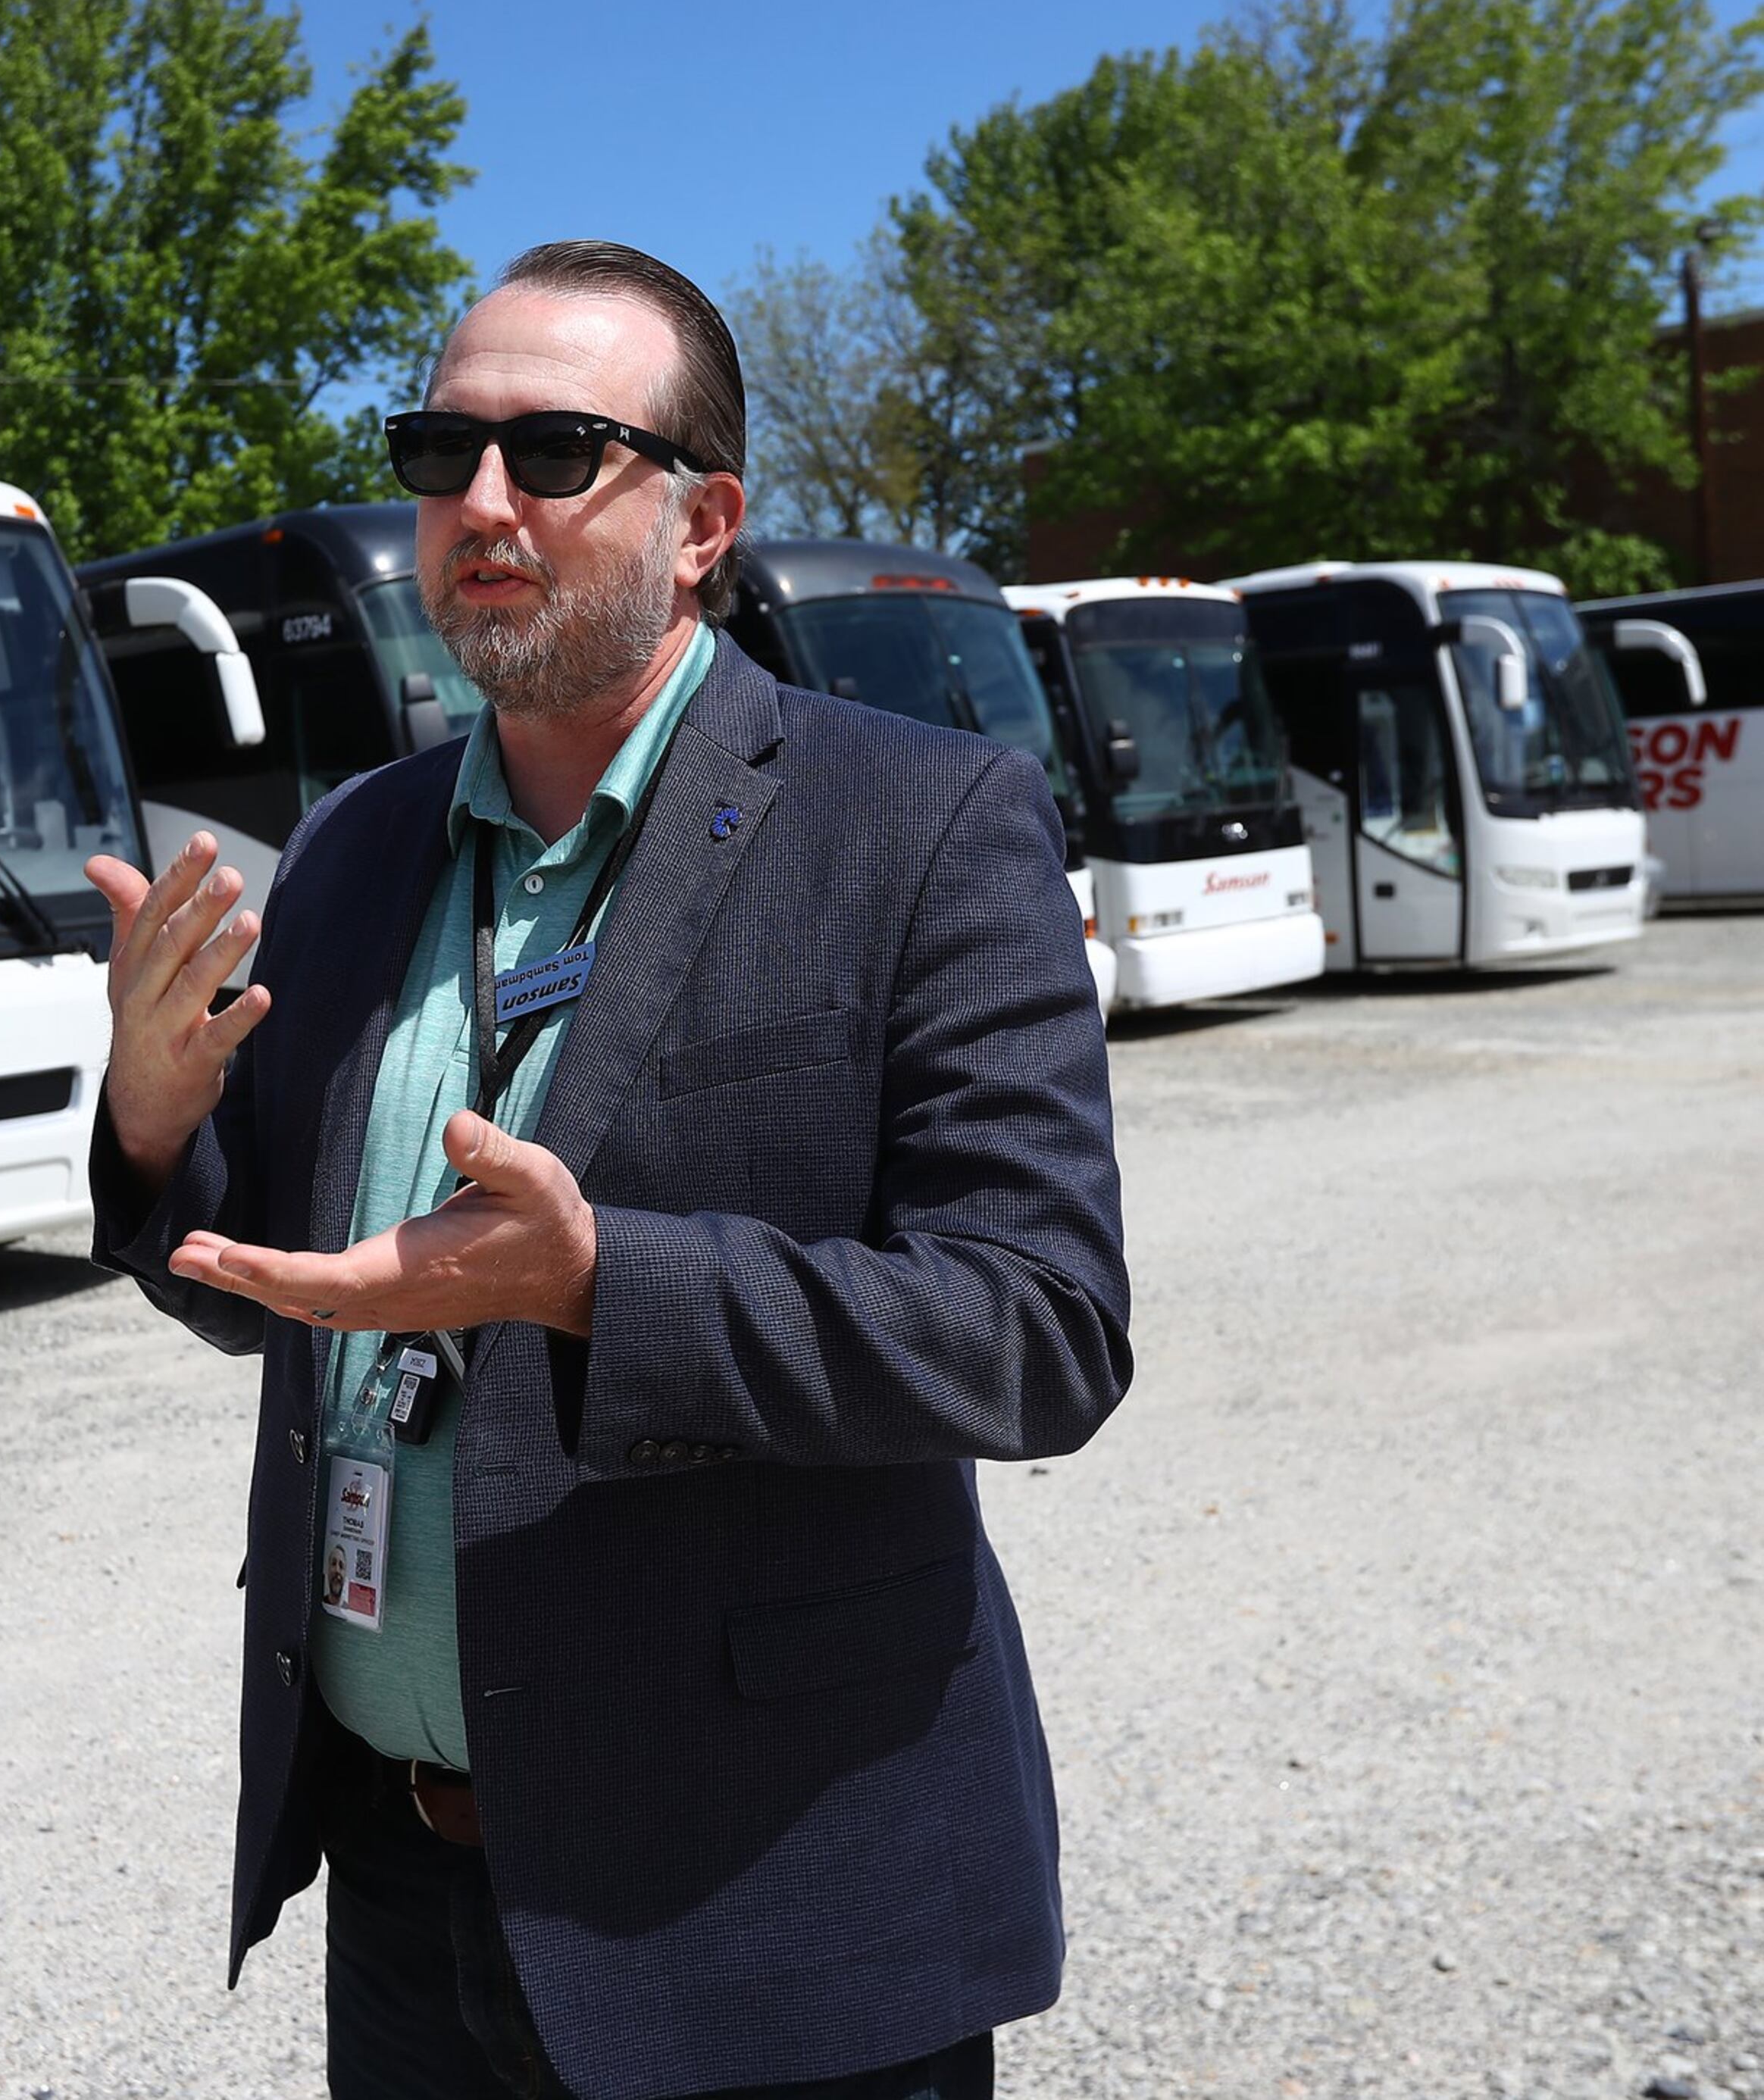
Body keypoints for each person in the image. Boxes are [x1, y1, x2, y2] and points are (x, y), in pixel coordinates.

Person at [84, 239, 1131, 2100]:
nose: (481, 504)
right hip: (406, 1889)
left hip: (765, 1899)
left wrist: (595, 1285)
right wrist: (160, 1125)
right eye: (441, 452)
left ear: (703, 520)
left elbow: (1039, 1333)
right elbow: (271, 1299)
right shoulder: (353, 848)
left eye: (556, 451)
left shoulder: (923, 824)